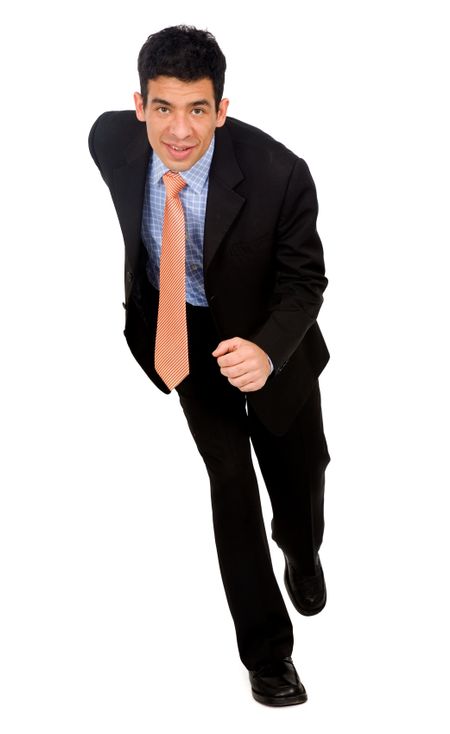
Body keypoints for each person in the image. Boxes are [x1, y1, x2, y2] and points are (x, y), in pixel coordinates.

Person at [88, 24, 331, 707]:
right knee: (229, 478)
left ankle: (302, 547)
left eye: (198, 109)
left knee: (301, 467)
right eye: (162, 107)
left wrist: (268, 349)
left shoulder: (281, 174)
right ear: (139, 105)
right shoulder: (112, 141)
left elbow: (305, 282)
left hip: (268, 335)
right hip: (183, 331)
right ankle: (267, 653)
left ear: (222, 108)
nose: (179, 131)